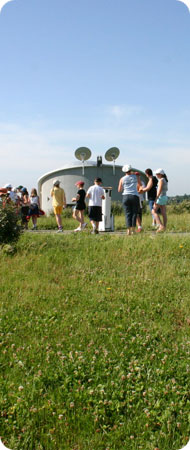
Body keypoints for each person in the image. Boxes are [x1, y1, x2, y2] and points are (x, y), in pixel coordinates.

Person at [118, 164, 141, 235]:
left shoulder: (122, 179)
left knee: (127, 213)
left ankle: (128, 230)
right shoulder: (136, 177)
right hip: (134, 196)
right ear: (131, 170)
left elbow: (119, 190)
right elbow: (139, 184)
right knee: (134, 213)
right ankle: (133, 230)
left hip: (125, 196)